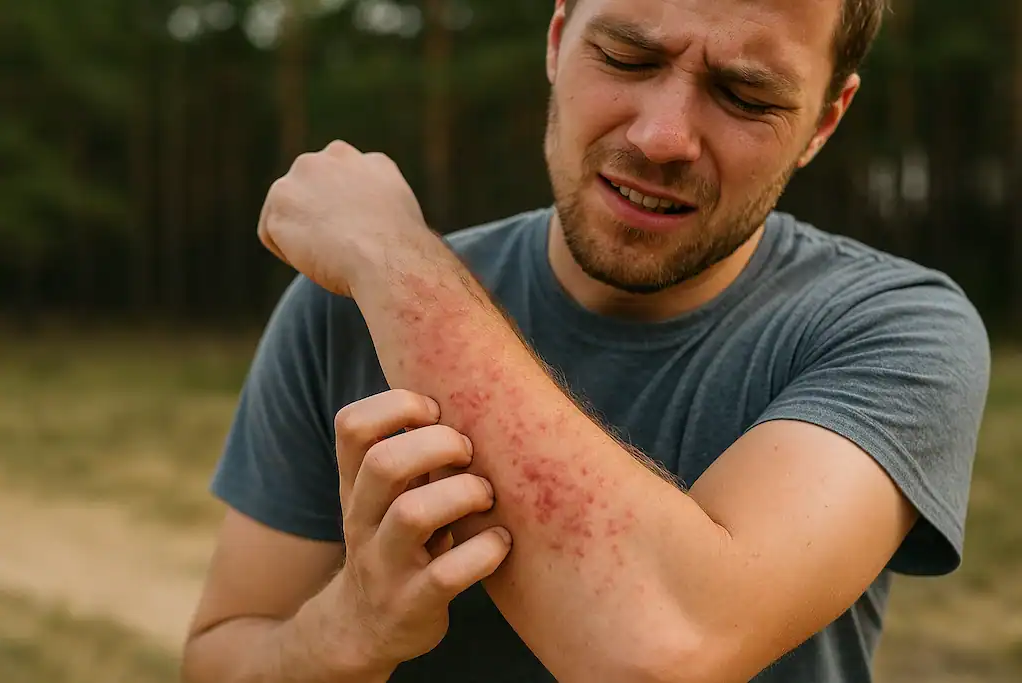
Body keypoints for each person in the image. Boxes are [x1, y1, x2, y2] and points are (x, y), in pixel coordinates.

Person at [181, 0, 991, 681]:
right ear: (558, 37)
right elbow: (217, 658)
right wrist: (349, 627)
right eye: (627, 55)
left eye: (745, 95)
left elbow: (663, 647)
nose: (662, 136)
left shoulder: (895, 329)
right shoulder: (338, 310)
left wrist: (397, 260)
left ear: (824, 121)